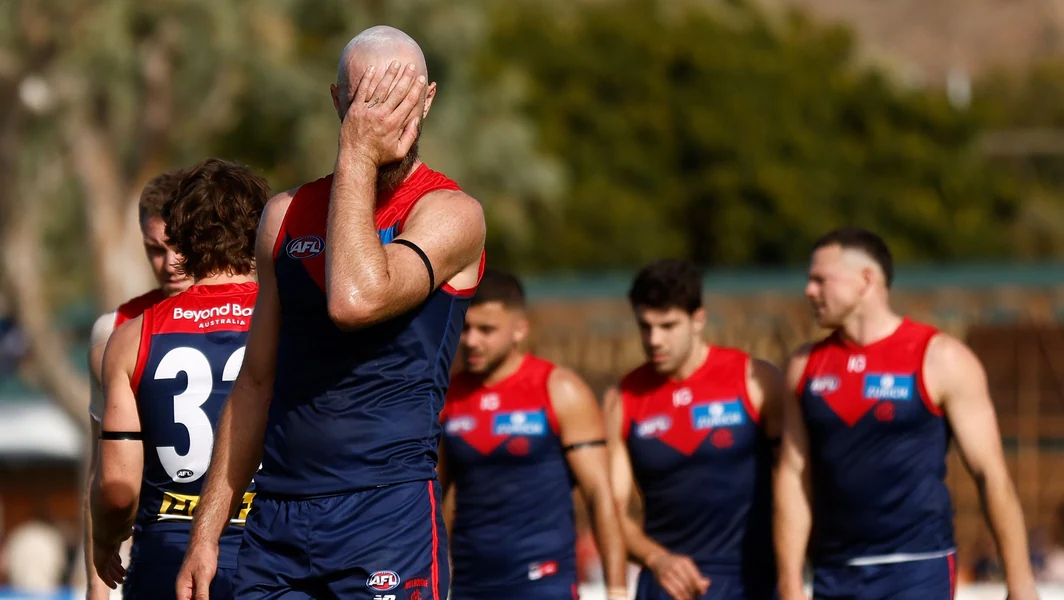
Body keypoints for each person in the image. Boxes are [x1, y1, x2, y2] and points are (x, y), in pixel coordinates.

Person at [177, 25, 486, 600]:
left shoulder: (451, 213)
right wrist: (207, 533)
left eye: (399, 95)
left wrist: (356, 152)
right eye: (368, 98)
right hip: (277, 520)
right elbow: (255, 383)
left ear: (428, 98)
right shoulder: (284, 216)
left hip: (386, 514)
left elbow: (355, 299)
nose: (383, 114)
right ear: (338, 101)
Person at [774, 227, 1040, 600]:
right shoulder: (804, 367)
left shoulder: (941, 358)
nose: (809, 291)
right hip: (835, 572)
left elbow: (990, 474)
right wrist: (789, 583)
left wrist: (1021, 583)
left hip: (917, 568)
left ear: (866, 280)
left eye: (820, 279)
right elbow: (792, 476)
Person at [90, 158, 268, 599]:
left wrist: (105, 539)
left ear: (182, 235)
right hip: (271, 553)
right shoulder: (293, 323)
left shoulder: (130, 336)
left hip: (166, 556)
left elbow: (116, 489)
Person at [439, 269, 628, 600]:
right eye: (466, 328)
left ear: (519, 330)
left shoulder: (559, 389)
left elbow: (600, 494)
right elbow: (432, 497)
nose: (472, 341)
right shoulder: (447, 397)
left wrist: (617, 588)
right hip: (471, 584)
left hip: (545, 581)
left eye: (486, 330)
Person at [604, 258, 782, 600]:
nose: (655, 340)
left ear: (698, 319)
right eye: (645, 326)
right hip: (666, 582)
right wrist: (657, 559)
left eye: (668, 326)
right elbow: (611, 510)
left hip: (750, 578)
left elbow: (795, 481)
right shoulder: (622, 399)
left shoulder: (754, 380)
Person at [84, 168, 193, 599]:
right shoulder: (115, 329)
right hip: (158, 547)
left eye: (179, 247)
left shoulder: (256, 315)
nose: (169, 264)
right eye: (154, 249)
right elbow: (103, 466)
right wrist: (97, 587)